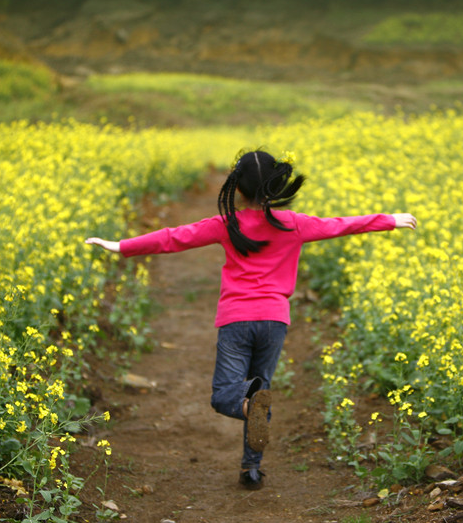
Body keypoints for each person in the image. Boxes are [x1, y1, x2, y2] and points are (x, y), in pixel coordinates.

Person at [85, 150, 417, 490]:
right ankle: (251, 469)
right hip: (274, 321)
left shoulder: (226, 225)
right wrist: (388, 219)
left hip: (236, 320)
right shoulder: (295, 223)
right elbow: (341, 225)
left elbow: (174, 238)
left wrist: (120, 245)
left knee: (226, 396)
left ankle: (250, 410)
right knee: (261, 390)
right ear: (275, 186)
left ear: (238, 189)